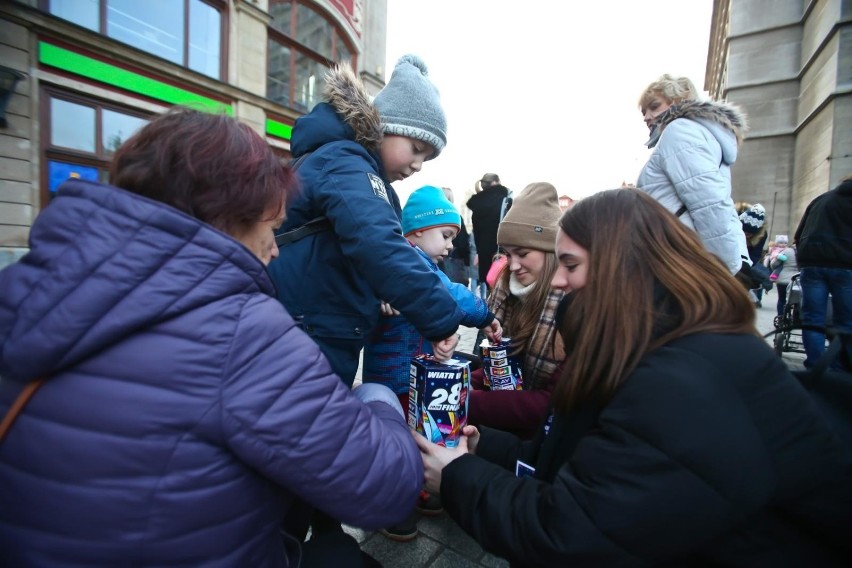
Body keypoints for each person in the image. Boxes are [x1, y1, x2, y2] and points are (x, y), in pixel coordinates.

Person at [0, 108, 423, 567]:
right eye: (272, 227)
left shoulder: (18, 288)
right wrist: (377, 401)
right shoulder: (242, 330)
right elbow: (385, 488)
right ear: (232, 214)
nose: (275, 248)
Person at [414, 188, 852, 567]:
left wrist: (458, 476)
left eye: (570, 264)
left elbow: (570, 535)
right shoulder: (647, 342)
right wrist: (483, 446)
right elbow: (567, 458)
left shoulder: (679, 382)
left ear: (621, 266)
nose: (560, 282)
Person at [266, 55, 463, 388]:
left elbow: (345, 246)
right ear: (385, 127)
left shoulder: (352, 168)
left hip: (314, 326)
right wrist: (442, 317)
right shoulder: (346, 163)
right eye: (415, 148)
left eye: (426, 158)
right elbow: (378, 245)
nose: (417, 165)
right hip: (308, 330)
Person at [362, 184, 501, 541]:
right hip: (397, 377)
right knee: (402, 439)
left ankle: (414, 493)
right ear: (418, 231)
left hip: (408, 374)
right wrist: (484, 314)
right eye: (445, 235)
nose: (450, 245)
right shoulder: (410, 262)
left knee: (413, 435)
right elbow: (448, 294)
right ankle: (395, 504)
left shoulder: (402, 260)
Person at [468, 182, 566, 440]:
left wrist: (467, 400)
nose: (513, 265)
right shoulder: (506, 292)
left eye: (522, 253)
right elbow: (503, 366)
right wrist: (463, 382)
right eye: (507, 254)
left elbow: (551, 403)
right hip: (509, 427)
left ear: (551, 252)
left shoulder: (573, 303)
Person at [636, 74, 750, 277]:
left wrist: (725, 269)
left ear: (680, 100)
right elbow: (720, 203)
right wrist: (737, 260)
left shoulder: (679, 131)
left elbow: (710, 203)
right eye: (644, 111)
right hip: (685, 255)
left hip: (678, 258)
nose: (646, 117)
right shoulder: (701, 135)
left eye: (654, 106)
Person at [794, 174, 852, 369]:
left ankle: (816, 366)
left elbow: (799, 233)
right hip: (846, 266)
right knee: (846, 321)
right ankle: (841, 368)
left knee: (812, 319)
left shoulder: (821, 199)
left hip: (812, 263)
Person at [467, 173, 510, 297]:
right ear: (496, 181)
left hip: (483, 250)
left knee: (488, 281)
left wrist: (479, 252)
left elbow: (476, 231)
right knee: (502, 283)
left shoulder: (477, 203)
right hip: (501, 248)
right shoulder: (505, 197)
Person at [437, 186, 472, 286]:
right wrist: (466, 259)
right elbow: (463, 243)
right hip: (454, 259)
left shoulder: (432, 217)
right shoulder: (456, 217)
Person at [739, 203, 769, 306]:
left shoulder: (761, 235)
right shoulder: (732, 224)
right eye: (744, 232)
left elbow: (754, 257)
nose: (746, 236)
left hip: (746, 261)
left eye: (749, 234)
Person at [765, 234, 799, 316]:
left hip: (783, 280)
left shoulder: (786, 251)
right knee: (797, 301)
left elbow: (774, 265)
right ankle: (795, 319)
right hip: (797, 280)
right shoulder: (804, 251)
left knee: (781, 299)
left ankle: (780, 317)